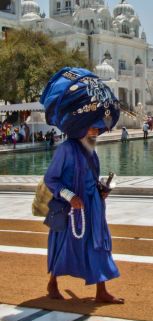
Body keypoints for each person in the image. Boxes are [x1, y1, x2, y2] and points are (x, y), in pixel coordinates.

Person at [41, 67, 123, 304]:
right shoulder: (66, 149)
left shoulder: (91, 150)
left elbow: (91, 177)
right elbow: (51, 179)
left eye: (98, 127)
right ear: (80, 125)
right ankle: (52, 284)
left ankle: (101, 290)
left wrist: (101, 189)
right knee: (65, 246)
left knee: (99, 245)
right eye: (93, 126)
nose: (96, 130)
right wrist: (69, 196)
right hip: (72, 210)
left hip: (92, 208)